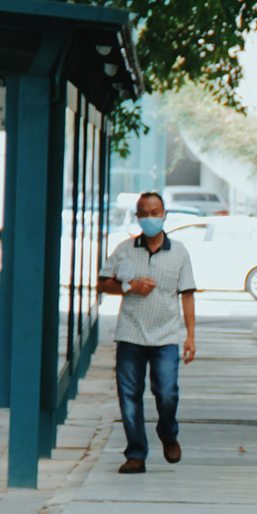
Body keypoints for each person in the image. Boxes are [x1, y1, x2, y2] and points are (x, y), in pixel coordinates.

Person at [97, 192, 197, 475]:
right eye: (145, 213)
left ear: (164, 214)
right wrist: (130, 287)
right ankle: (136, 454)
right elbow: (103, 282)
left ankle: (168, 432)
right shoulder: (125, 250)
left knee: (166, 393)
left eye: (156, 212)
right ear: (138, 216)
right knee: (129, 395)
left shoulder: (179, 252)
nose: (151, 218)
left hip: (165, 336)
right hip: (130, 333)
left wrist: (190, 336)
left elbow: (187, 296)